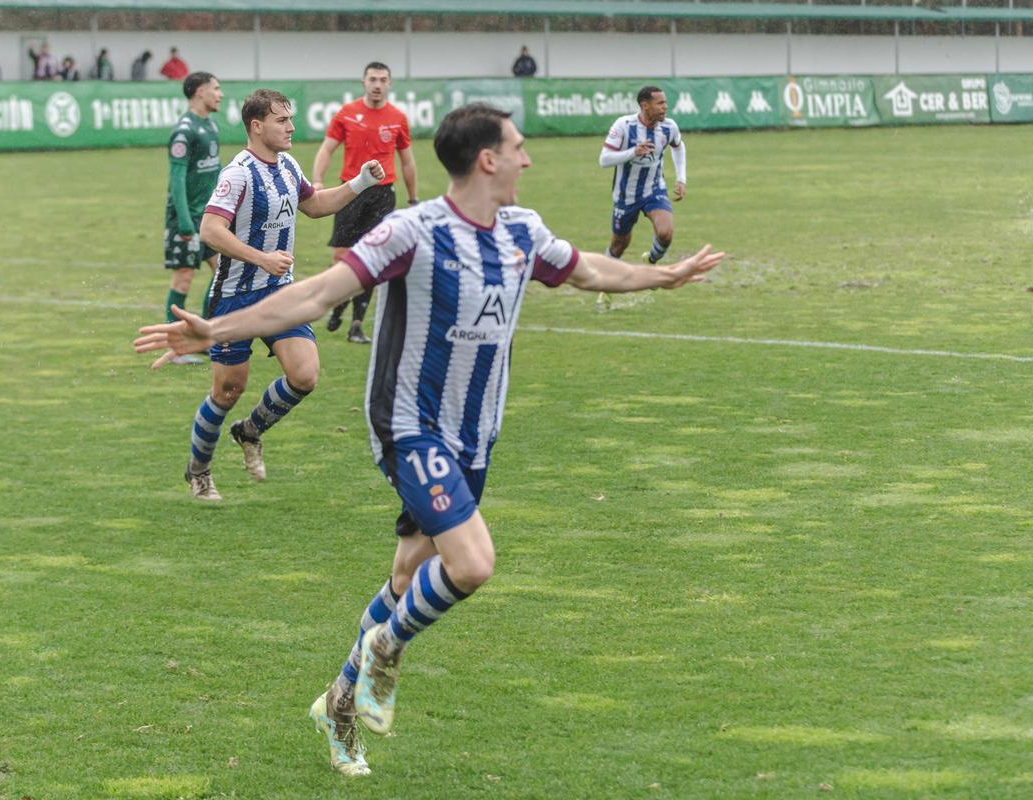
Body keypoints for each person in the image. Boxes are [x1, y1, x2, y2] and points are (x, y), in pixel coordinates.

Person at [133, 103, 724, 775]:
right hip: (410, 426)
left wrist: (665, 276)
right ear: (488, 159)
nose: (528, 159)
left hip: (476, 436)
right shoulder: (410, 232)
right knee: (471, 563)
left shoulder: (523, 231)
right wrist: (220, 329)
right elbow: (316, 294)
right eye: (519, 148)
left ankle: (339, 705)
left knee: (409, 575)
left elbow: (590, 269)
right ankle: (385, 651)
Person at [163, 88, 384, 501]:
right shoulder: (238, 174)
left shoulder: (287, 166)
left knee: (305, 375)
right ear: (256, 126)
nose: (291, 127)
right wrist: (261, 258)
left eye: (290, 119)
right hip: (234, 296)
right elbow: (211, 230)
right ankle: (199, 470)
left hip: (280, 292)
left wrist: (360, 182)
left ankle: (250, 431)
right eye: (282, 120)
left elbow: (315, 205)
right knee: (228, 390)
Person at [311, 61, 418, 344]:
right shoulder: (347, 114)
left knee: (373, 258)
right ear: (363, 81)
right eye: (373, 79)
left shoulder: (398, 117)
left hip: (382, 195)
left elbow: (407, 161)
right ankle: (339, 304)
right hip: (351, 191)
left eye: (383, 79)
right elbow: (326, 148)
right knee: (341, 258)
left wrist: (413, 197)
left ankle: (356, 323)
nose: (377, 84)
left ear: (389, 84)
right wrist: (318, 180)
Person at [596, 84, 687, 308]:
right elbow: (604, 159)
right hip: (625, 195)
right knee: (619, 245)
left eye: (665, 102)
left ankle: (651, 260)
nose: (665, 107)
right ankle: (605, 288)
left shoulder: (669, 127)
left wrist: (681, 178)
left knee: (665, 233)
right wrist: (632, 152)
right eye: (660, 103)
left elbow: (678, 146)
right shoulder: (624, 126)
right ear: (644, 105)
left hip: (654, 189)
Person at [161, 72, 225, 366]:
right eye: (216, 88)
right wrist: (185, 223)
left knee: (222, 274)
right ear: (200, 92)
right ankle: (175, 348)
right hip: (186, 219)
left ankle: (202, 337)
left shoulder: (210, 125)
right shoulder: (185, 131)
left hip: (208, 219)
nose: (220, 94)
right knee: (184, 279)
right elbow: (176, 181)